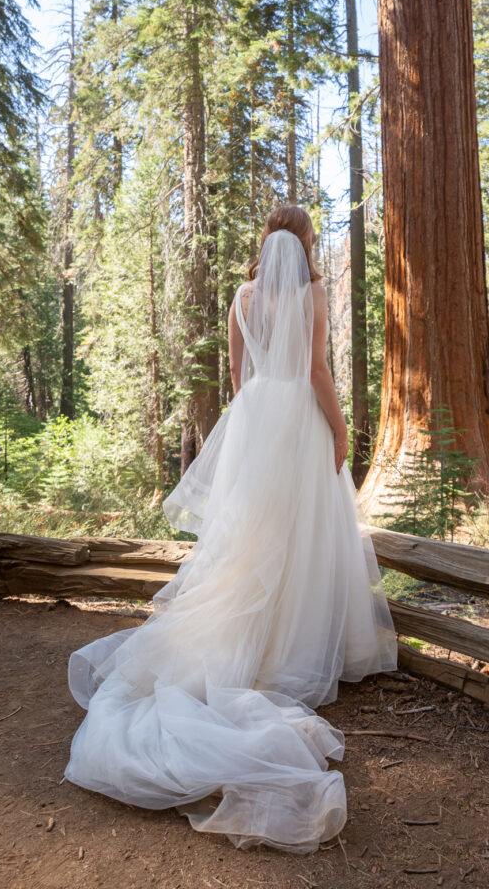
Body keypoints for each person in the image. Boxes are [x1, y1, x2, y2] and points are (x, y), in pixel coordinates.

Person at [63, 204, 399, 854]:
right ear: (303, 245)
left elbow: (240, 377)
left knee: (253, 540)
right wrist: (337, 429)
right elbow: (317, 372)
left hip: (255, 418)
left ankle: (255, 640)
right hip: (298, 419)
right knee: (300, 535)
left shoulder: (243, 298)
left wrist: (252, 429)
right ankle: (295, 644)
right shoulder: (312, 295)